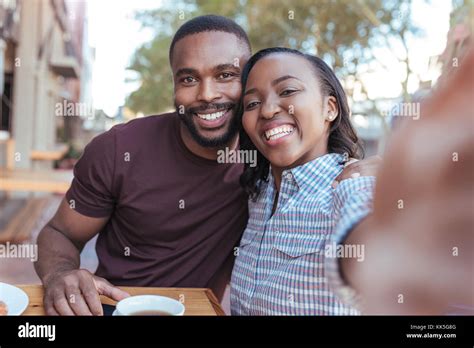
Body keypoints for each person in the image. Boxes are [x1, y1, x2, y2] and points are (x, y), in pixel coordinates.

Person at [35, 15, 375, 316]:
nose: (207, 94)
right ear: (173, 86)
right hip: (116, 309)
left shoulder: (266, 160)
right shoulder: (118, 149)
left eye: (226, 75)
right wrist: (59, 273)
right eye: (188, 79)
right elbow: (59, 232)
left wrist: (387, 177)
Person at [230, 47, 376, 315]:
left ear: (329, 108)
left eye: (287, 91)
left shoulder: (353, 186)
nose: (268, 110)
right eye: (252, 103)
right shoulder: (258, 195)